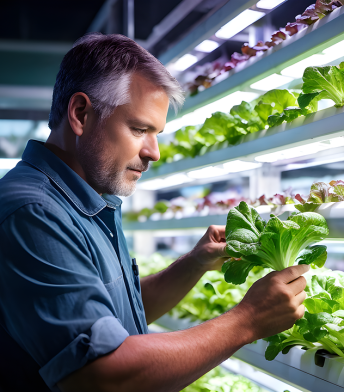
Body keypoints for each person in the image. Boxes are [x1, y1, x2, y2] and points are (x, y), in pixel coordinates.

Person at [0, 33, 308, 392]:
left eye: (156, 133)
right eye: (139, 129)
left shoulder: (83, 199)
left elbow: (107, 316)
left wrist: (194, 264)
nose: (154, 152)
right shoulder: (33, 213)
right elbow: (102, 374)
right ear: (81, 113)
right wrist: (248, 320)